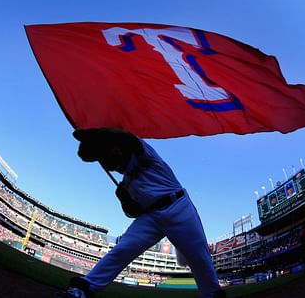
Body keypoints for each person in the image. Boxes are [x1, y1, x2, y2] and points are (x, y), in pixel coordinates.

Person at [55, 128, 225, 298]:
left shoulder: (144, 154)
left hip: (177, 207)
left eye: (106, 157)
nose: (108, 165)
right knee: (122, 249)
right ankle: (84, 289)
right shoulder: (126, 182)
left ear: (117, 150)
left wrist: (96, 136)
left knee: (199, 258)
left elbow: (130, 140)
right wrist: (124, 199)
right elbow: (133, 212)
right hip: (150, 217)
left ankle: (212, 295)